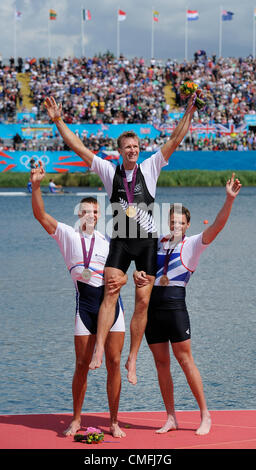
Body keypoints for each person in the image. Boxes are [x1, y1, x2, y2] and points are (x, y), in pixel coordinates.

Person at [44, 91, 201, 385]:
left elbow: (175, 140)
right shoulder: (108, 171)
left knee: (143, 301)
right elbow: (78, 147)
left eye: (136, 146)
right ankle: (100, 349)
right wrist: (57, 120)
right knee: (111, 289)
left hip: (145, 243)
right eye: (128, 147)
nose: (133, 150)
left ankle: (132, 359)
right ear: (119, 151)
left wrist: (189, 112)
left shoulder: (151, 167)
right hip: (121, 240)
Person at [133, 174, 241, 435]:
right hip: (153, 310)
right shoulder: (157, 243)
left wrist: (228, 200)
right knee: (161, 365)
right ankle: (171, 417)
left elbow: (217, 225)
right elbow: (143, 270)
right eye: (172, 221)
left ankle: (205, 414)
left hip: (175, 308)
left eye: (180, 222)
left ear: (188, 224)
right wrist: (137, 275)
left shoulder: (193, 244)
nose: (176, 225)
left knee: (185, 360)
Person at [31, 161, 127, 438]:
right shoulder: (67, 234)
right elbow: (40, 214)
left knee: (113, 363)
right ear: (79, 214)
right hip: (84, 307)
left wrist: (122, 279)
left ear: (99, 216)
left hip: (112, 307)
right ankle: (75, 419)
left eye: (95, 212)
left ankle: (114, 421)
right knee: (81, 366)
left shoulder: (109, 241)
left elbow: (122, 274)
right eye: (86, 212)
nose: (91, 216)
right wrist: (36, 186)